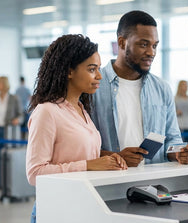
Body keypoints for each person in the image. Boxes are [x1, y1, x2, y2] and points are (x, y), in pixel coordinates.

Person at [26, 34, 127, 223]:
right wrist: (89, 165)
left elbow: (75, 155)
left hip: (82, 206)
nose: (99, 75)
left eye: (98, 68)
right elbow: (35, 173)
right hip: (55, 210)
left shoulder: (81, 109)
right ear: (69, 71)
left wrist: (105, 159)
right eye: (91, 69)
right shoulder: (47, 111)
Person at [90, 10, 188, 167]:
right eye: (143, 44)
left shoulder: (162, 89)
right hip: (107, 181)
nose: (151, 52)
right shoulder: (93, 87)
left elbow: (172, 138)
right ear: (122, 43)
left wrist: (179, 152)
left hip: (153, 182)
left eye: (154, 45)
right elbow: (81, 147)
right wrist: (116, 157)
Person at [175, 80, 188, 147]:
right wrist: (177, 112)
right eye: (183, 85)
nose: (185, 87)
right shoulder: (175, 98)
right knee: (181, 147)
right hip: (180, 125)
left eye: (186, 85)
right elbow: (171, 113)